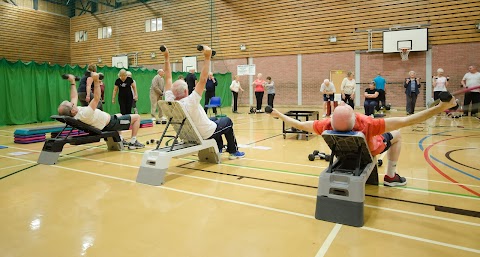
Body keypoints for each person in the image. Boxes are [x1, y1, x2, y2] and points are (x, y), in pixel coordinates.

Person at [267, 96, 457, 187]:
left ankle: (390, 175)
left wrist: (279, 115)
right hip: (370, 151)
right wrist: (440, 108)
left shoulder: (326, 125)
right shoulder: (367, 123)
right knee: (397, 134)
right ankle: (391, 176)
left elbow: (300, 125)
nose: (341, 103)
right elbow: (408, 120)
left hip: (343, 152)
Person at [161, 45, 245, 160]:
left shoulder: (170, 100)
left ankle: (219, 147)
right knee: (227, 122)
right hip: (204, 133)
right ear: (186, 91)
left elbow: (168, 78)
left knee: (215, 119)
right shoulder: (191, 101)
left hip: (189, 133)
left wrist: (166, 57)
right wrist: (207, 57)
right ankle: (233, 151)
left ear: (173, 92)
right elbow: (203, 79)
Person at [57, 74, 145, 150]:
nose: (73, 103)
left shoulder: (75, 114)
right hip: (111, 124)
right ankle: (133, 142)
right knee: (137, 117)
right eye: (72, 104)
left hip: (108, 121)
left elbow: (74, 97)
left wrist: (72, 82)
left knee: (119, 114)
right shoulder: (84, 114)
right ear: (72, 110)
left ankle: (120, 139)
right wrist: (96, 81)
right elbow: (96, 98)